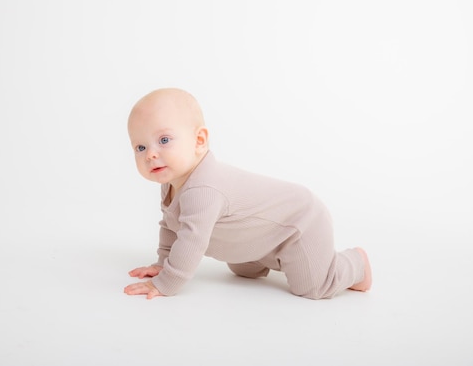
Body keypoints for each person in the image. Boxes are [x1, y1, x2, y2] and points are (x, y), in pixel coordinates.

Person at [124, 88, 372, 300]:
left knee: (314, 287)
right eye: (141, 147)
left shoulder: (203, 190)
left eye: (164, 140)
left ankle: (355, 264)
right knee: (243, 270)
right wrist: (161, 263)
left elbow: (191, 242)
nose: (151, 154)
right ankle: (276, 257)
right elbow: (171, 226)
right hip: (259, 236)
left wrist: (165, 282)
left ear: (199, 140)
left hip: (300, 221)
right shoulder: (172, 184)